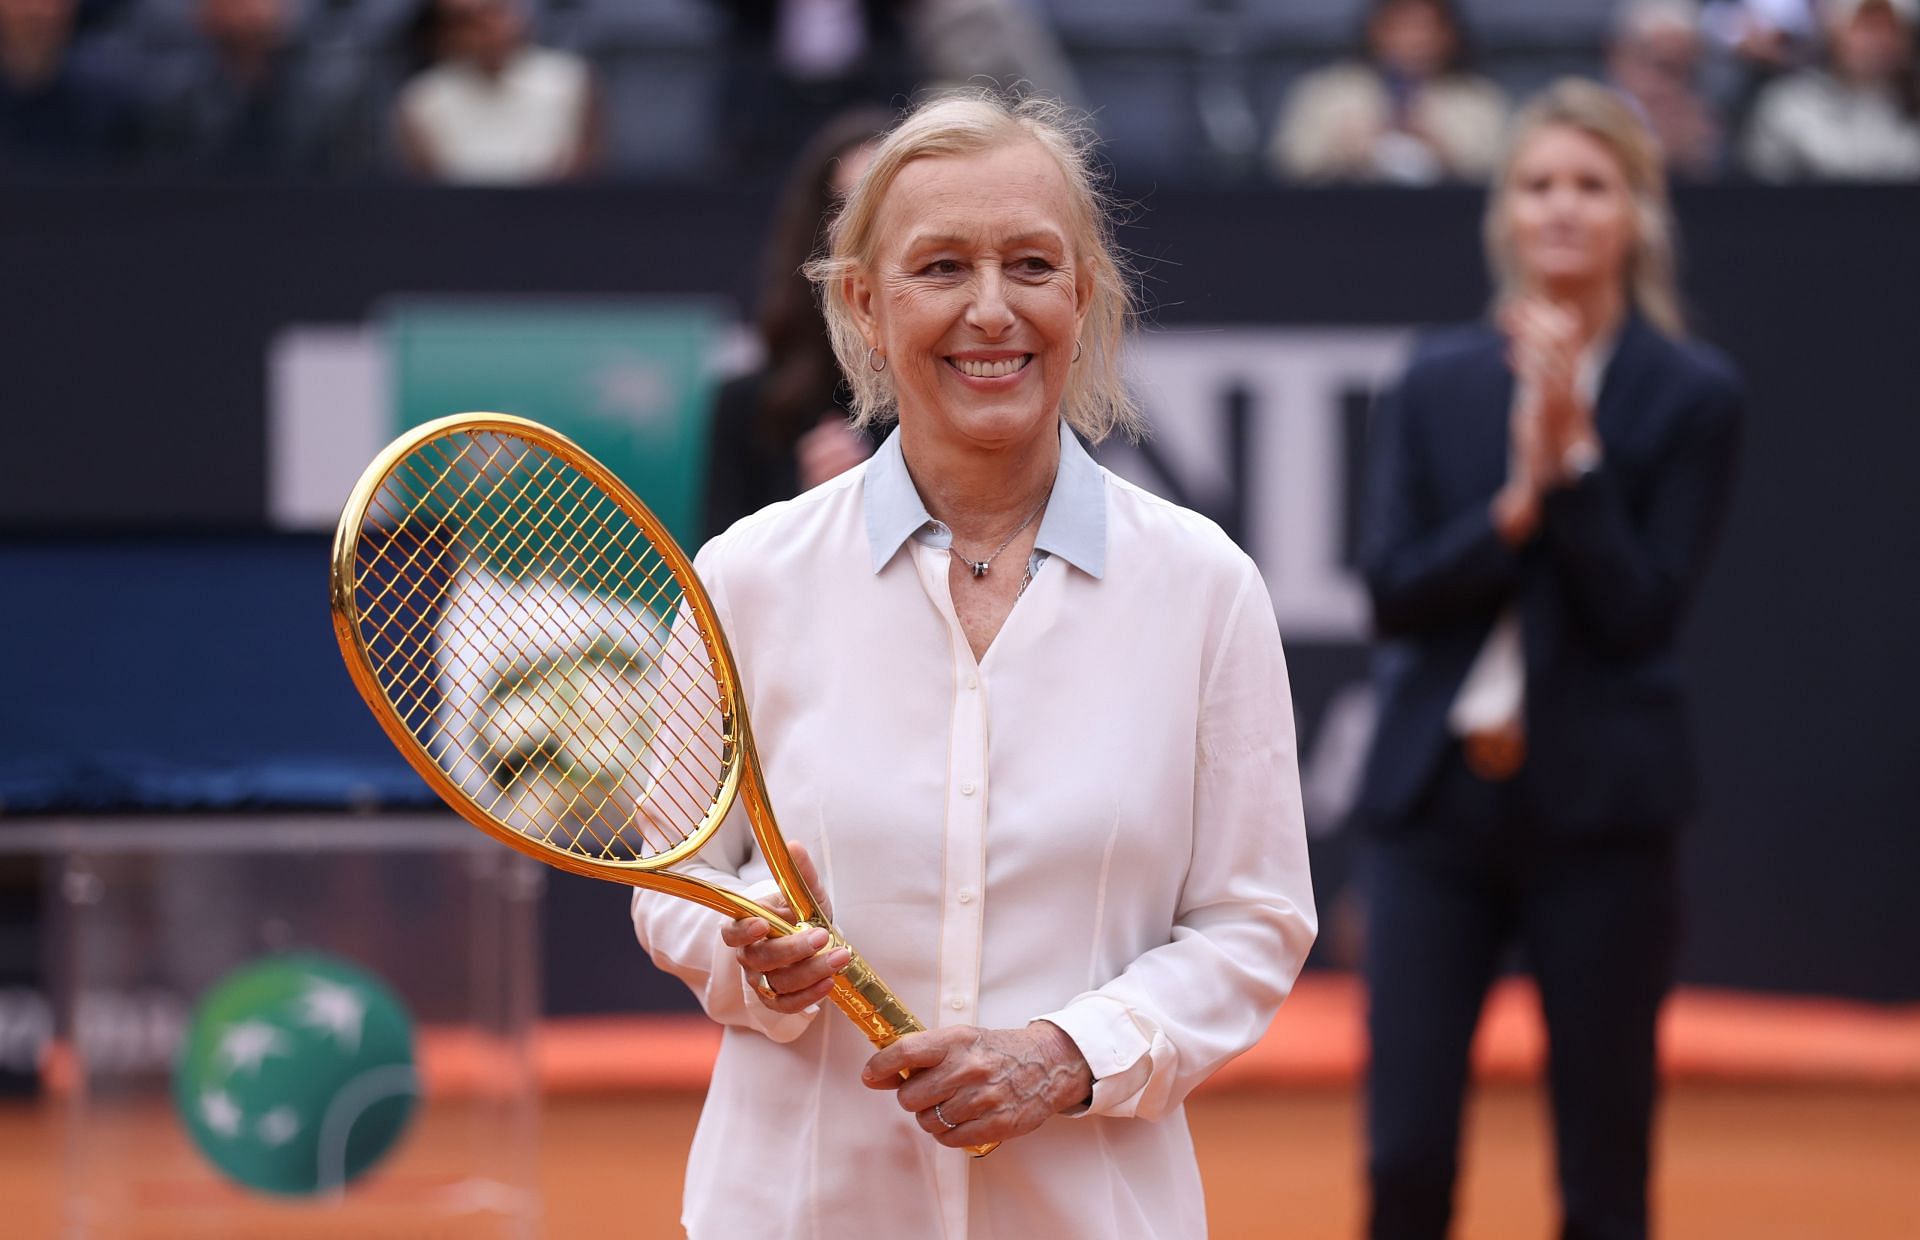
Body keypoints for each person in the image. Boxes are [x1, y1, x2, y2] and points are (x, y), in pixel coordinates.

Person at [631, 91, 1316, 1237]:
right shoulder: (748, 572)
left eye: (1032, 266)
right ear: (863, 301)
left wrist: (1065, 1055)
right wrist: (751, 948)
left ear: (1083, 296)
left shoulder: (1203, 584)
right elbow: (676, 872)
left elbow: (1253, 922)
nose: (991, 311)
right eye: (941, 267)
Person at [1356, 78, 1742, 1240]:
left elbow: (1643, 616)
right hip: (1436, 810)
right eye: (1538, 186)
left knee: (1604, 1163)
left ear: (1639, 211)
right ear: (1506, 215)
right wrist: (1515, 508)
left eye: (1591, 184)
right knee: (1408, 1150)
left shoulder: (1693, 395)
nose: (1563, 209)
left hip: (1605, 816)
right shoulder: (1436, 380)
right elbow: (1392, 589)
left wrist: (1576, 469)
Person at [702, 107, 892, 539]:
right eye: (847, 208)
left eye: (883, 209)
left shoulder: (959, 398)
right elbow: (716, 586)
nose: (865, 235)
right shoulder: (748, 406)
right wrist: (814, 506)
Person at [1269, 0, 1508, 184]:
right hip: (1338, 218)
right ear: (1376, 30)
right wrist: (1343, 153)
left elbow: (1508, 175)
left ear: (1449, 35)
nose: (1415, 40)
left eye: (1426, 28)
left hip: (1449, 221)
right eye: (1401, 27)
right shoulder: (1327, 92)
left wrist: (1447, 154)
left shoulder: (1479, 99)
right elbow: (1287, 164)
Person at [393, 0, 602, 184]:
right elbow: (426, 183)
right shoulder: (422, 98)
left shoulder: (570, 80)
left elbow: (582, 172)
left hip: (551, 216)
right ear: (445, 31)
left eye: (493, 12)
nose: (485, 29)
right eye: (466, 22)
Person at [1742, 0, 1920, 179]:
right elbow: (1764, 188)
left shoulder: (1911, 105)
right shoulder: (1786, 105)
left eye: (1890, 29)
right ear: (1833, 31)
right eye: (1864, 27)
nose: (1877, 41)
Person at [1607, 0, 1725, 178]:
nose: (1675, 86)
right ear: (1621, 57)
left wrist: (1697, 159)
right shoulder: (1591, 123)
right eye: (1665, 67)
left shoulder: (1706, 125)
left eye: (1690, 73)